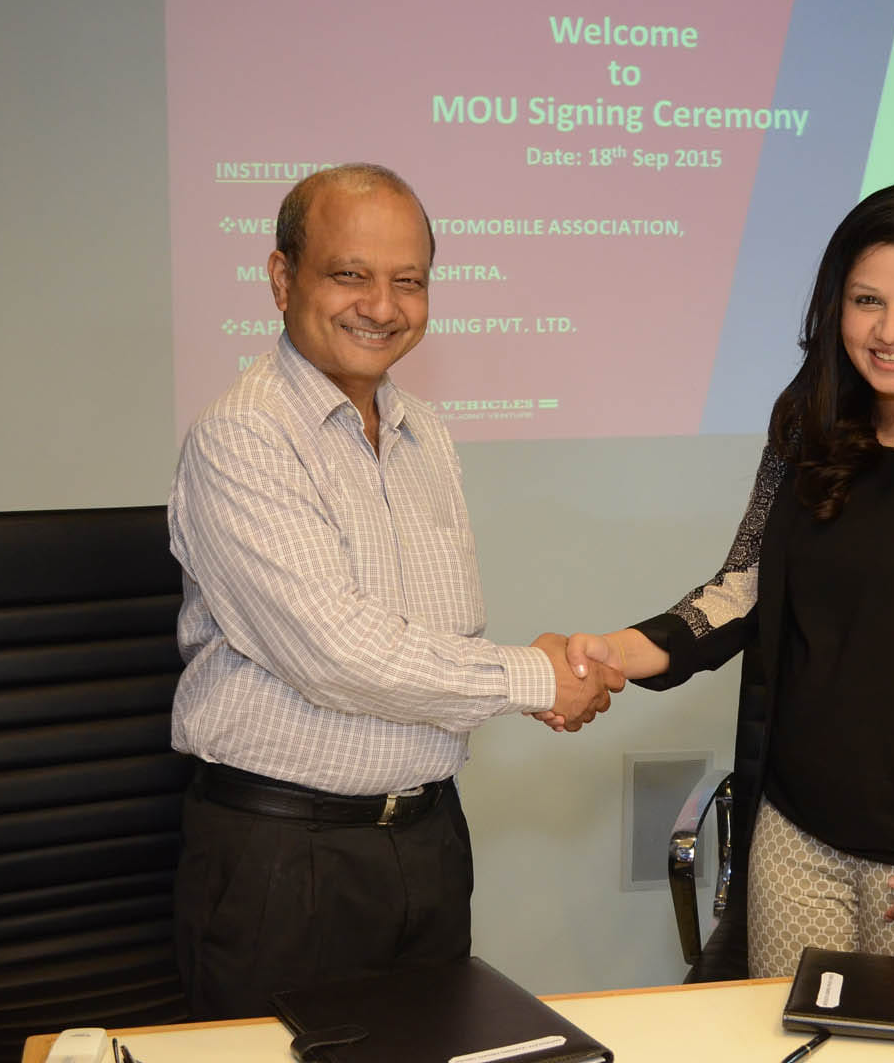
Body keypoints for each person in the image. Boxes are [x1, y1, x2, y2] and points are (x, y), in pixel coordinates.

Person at [559, 181, 894, 977]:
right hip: (801, 833)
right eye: (866, 301)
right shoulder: (808, 430)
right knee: (789, 1033)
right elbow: (744, 586)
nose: (889, 332)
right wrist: (617, 650)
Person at [167, 163, 619, 1018]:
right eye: (350, 274)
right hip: (284, 860)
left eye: (408, 281)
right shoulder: (242, 436)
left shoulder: (425, 432)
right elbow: (340, 655)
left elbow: (439, 635)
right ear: (281, 279)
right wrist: (538, 677)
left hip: (427, 841)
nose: (381, 306)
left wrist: (539, 671)